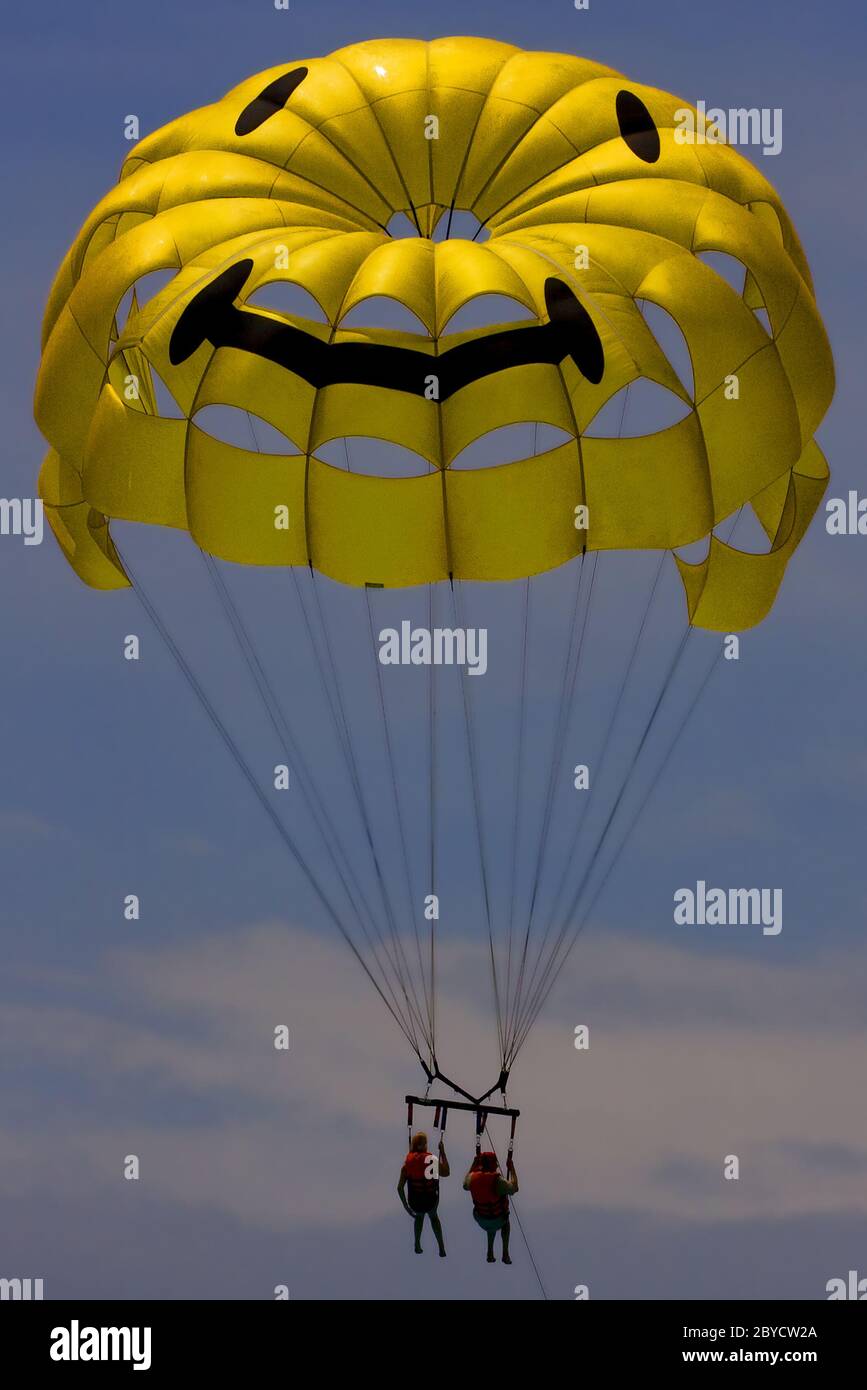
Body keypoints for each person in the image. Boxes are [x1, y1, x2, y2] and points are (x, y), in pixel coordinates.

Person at [398, 1131, 450, 1256]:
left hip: (415, 1202)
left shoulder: (407, 1165)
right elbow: (446, 1172)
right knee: (433, 1217)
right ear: (423, 1146)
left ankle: (417, 1243)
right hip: (430, 1201)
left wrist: (406, 1207)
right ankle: (441, 1247)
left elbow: (399, 1188)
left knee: (419, 1217)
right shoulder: (431, 1161)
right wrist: (442, 1151)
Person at [464, 1150, 518, 1264]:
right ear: (493, 1164)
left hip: (481, 1219)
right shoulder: (498, 1181)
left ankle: (490, 1251)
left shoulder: (472, 1177)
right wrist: (511, 1168)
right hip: (498, 1219)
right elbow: (514, 1188)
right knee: (504, 1221)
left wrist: (474, 1165)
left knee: (490, 1221)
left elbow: (465, 1185)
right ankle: (505, 1253)